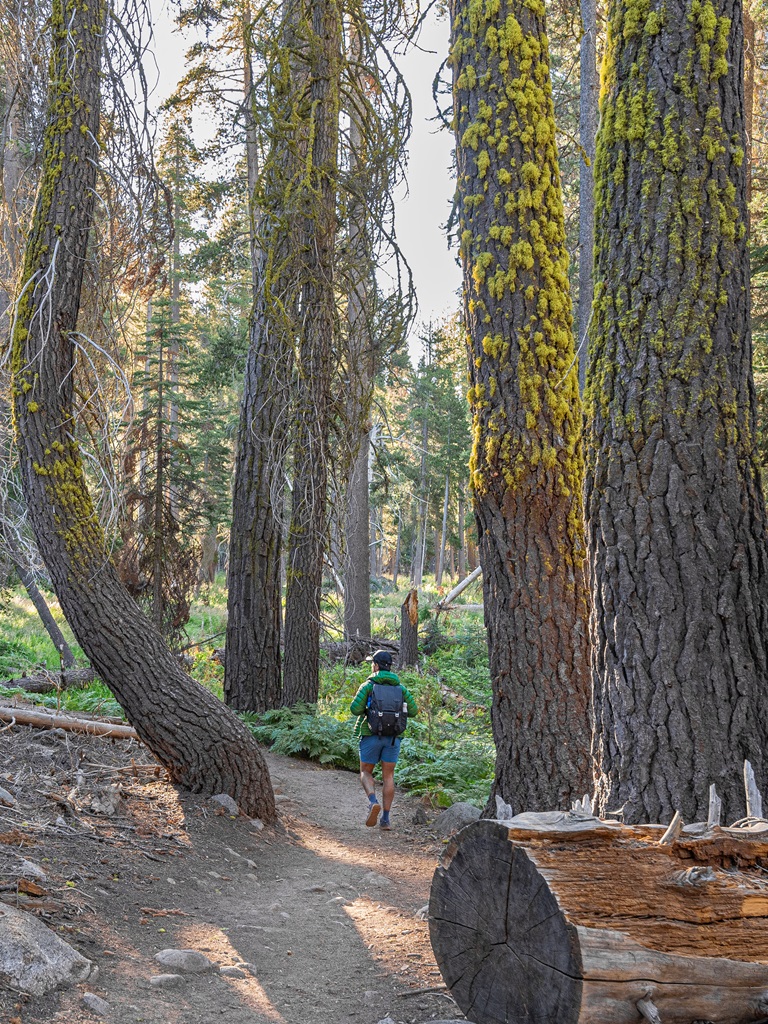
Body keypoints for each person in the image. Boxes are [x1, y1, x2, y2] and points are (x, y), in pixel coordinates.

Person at [350, 649, 418, 830]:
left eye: (373, 662)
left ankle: (373, 801)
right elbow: (413, 711)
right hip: (393, 738)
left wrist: (368, 709)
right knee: (389, 776)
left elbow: (354, 709)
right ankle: (386, 820)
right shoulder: (401, 688)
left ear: (376, 665)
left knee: (365, 772)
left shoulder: (368, 685)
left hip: (370, 734)